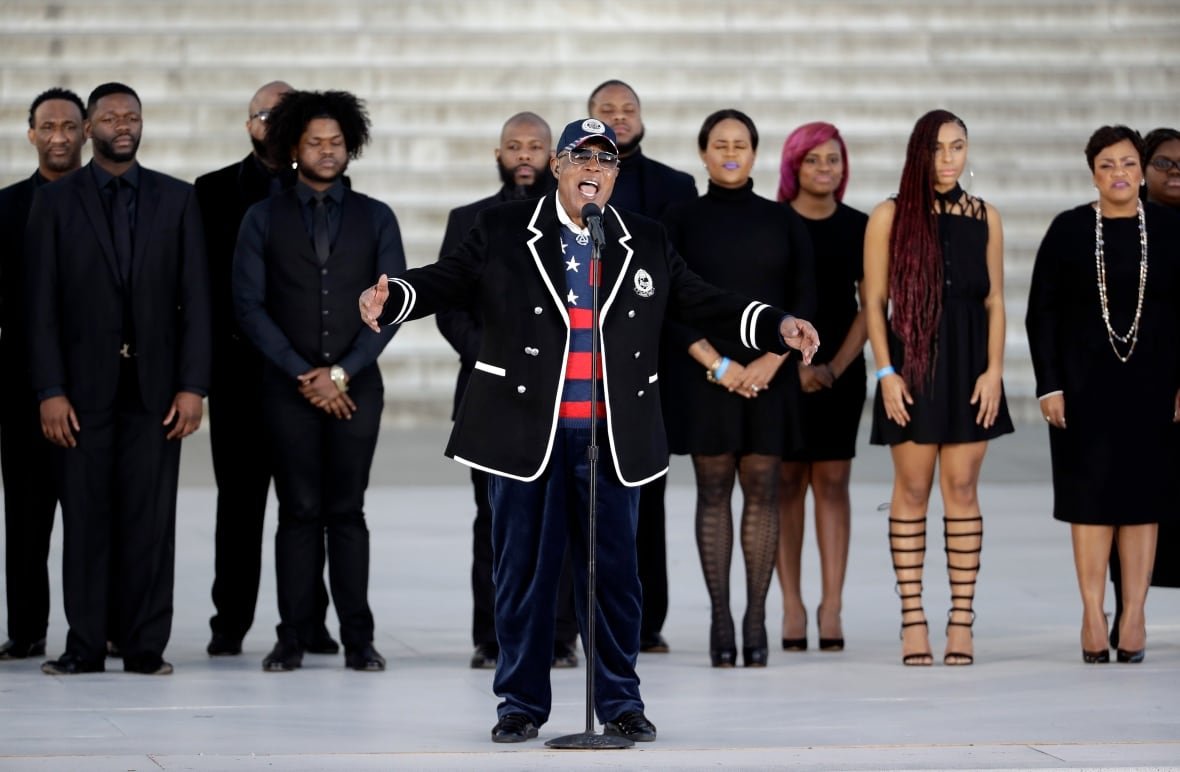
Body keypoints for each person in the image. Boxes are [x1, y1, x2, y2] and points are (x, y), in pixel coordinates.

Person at [359, 118, 820, 743]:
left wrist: (775, 324)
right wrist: (396, 295)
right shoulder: (501, 230)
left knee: (614, 579)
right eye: (581, 158)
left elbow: (703, 300)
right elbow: (447, 280)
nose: (592, 171)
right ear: (558, 166)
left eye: (604, 162)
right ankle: (519, 705)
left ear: (615, 175)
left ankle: (620, 703)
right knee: (522, 575)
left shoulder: (644, 241)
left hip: (612, 436)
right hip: (527, 432)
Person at [27, 82, 212, 675]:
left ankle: (143, 648)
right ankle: (83, 646)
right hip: (80, 395)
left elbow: (197, 302)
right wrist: (49, 391)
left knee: (151, 524)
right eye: (110, 117)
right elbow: (41, 308)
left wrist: (193, 386)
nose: (122, 125)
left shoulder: (177, 200)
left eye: (131, 116)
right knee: (84, 521)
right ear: (88, 129)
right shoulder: (55, 203)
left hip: (156, 393)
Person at [233, 89, 405, 673]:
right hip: (288, 389)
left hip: (358, 388)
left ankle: (359, 639)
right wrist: (305, 375)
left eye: (335, 142)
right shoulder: (262, 217)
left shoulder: (376, 216)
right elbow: (249, 306)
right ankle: (292, 637)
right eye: (314, 142)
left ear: (350, 146)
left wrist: (341, 373)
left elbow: (392, 305)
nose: (327, 152)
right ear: (293, 149)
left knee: (347, 510)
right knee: (298, 511)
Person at [661, 109, 815, 668]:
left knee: (764, 492)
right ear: (702, 153)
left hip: (769, 379)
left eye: (742, 144)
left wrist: (770, 363)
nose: (731, 152)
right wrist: (718, 364)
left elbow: (806, 299)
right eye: (720, 144)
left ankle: (756, 620)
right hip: (707, 377)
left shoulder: (784, 220)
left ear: (755, 154)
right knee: (713, 492)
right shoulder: (678, 219)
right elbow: (667, 304)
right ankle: (720, 619)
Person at [863, 109, 1013, 667]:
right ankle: (912, 619)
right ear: (917, 154)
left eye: (958, 147)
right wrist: (886, 373)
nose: (948, 159)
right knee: (911, 490)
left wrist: (994, 369)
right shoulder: (889, 216)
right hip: (912, 367)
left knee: (963, 489)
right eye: (937, 149)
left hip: (972, 369)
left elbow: (995, 300)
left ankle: (962, 621)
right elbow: (874, 303)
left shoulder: (985, 217)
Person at [1026, 125, 1180, 664]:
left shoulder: (1169, 229)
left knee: (1142, 501)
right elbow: (1040, 313)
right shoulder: (1068, 230)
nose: (1120, 174)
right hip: (1083, 390)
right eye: (1108, 165)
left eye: (1130, 164)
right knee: (1090, 504)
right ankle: (1093, 613)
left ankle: (1133, 614)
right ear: (1092, 172)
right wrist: (1049, 384)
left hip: (1154, 386)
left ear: (1142, 170)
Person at [194, 81, 338, 658]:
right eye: (266, 115)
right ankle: (229, 623)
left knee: (310, 504)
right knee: (240, 503)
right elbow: (199, 289)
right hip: (239, 376)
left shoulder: (331, 193)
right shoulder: (208, 193)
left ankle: (310, 622)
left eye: (287, 116)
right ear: (250, 124)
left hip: (307, 375)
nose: (275, 124)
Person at [433, 112, 581, 671]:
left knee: (564, 518)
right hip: (490, 394)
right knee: (494, 519)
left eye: (536, 146)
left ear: (554, 157)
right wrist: (496, 357)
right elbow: (449, 303)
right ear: (498, 154)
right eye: (515, 146)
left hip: (566, 393)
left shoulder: (582, 221)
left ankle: (561, 636)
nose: (525, 155)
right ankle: (493, 636)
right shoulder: (469, 220)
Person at [588, 79, 698, 654]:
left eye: (628, 109)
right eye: (607, 111)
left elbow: (682, 286)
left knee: (645, 497)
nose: (619, 118)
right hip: (581, 365)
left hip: (654, 368)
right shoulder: (570, 184)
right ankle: (576, 622)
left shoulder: (676, 188)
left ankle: (646, 621)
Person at [774, 122, 868, 653]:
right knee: (786, 486)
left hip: (840, 373)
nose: (824, 169)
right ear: (794, 166)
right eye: (813, 160)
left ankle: (831, 605)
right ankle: (792, 604)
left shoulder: (860, 225)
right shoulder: (775, 222)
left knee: (833, 485)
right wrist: (797, 367)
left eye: (833, 160)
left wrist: (833, 365)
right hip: (784, 371)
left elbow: (870, 305)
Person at [0, 87, 86, 661]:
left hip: (99, 387)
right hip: (22, 390)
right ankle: (27, 630)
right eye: (47, 126)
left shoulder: (110, 201)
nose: (58, 136)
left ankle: (96, 627)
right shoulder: (4, 208)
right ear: (30, 134)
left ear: (85, 133)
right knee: (26, 521)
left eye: (69, 126)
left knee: (92, 518)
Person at [1108, 126, 1180, 648]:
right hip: (1134, 385)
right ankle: (1129, 611)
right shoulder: (1113, 227)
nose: (1174, 173)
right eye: (1163, 163)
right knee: (1128, 501)